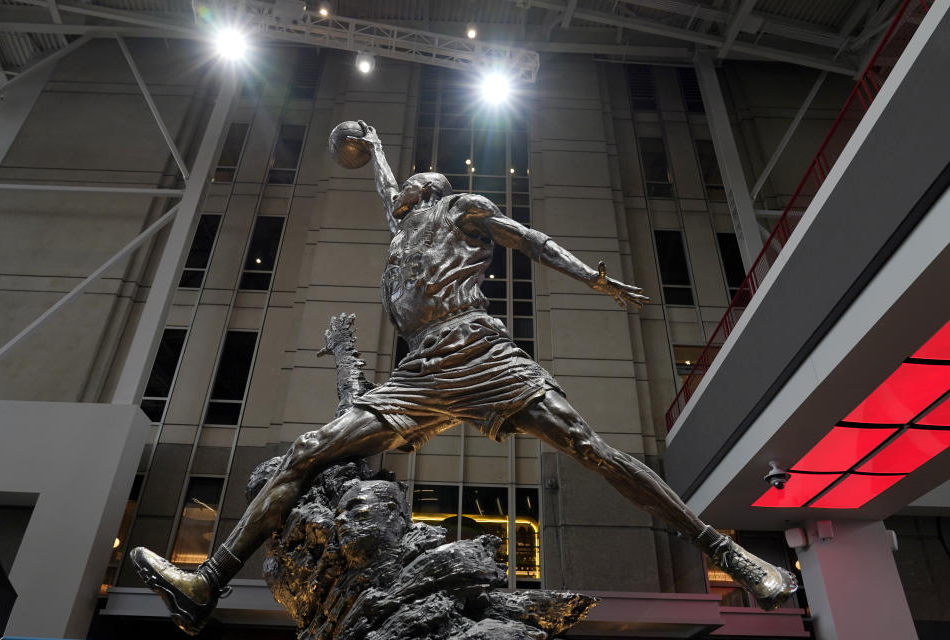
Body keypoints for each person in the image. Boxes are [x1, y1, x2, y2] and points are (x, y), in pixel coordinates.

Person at [131, 121, 796, 634]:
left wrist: (590, 276)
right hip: (420, 371)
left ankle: (728, 554)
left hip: (479, 351)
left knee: (592, 450)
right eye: (408, 183)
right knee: (306, 452)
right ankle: (205, 586)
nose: (408, 188)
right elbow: (385, 186)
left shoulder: (460, 209)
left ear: (440, 187)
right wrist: (376, 143)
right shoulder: (402, 224)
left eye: (421, 180)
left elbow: (526, 238)